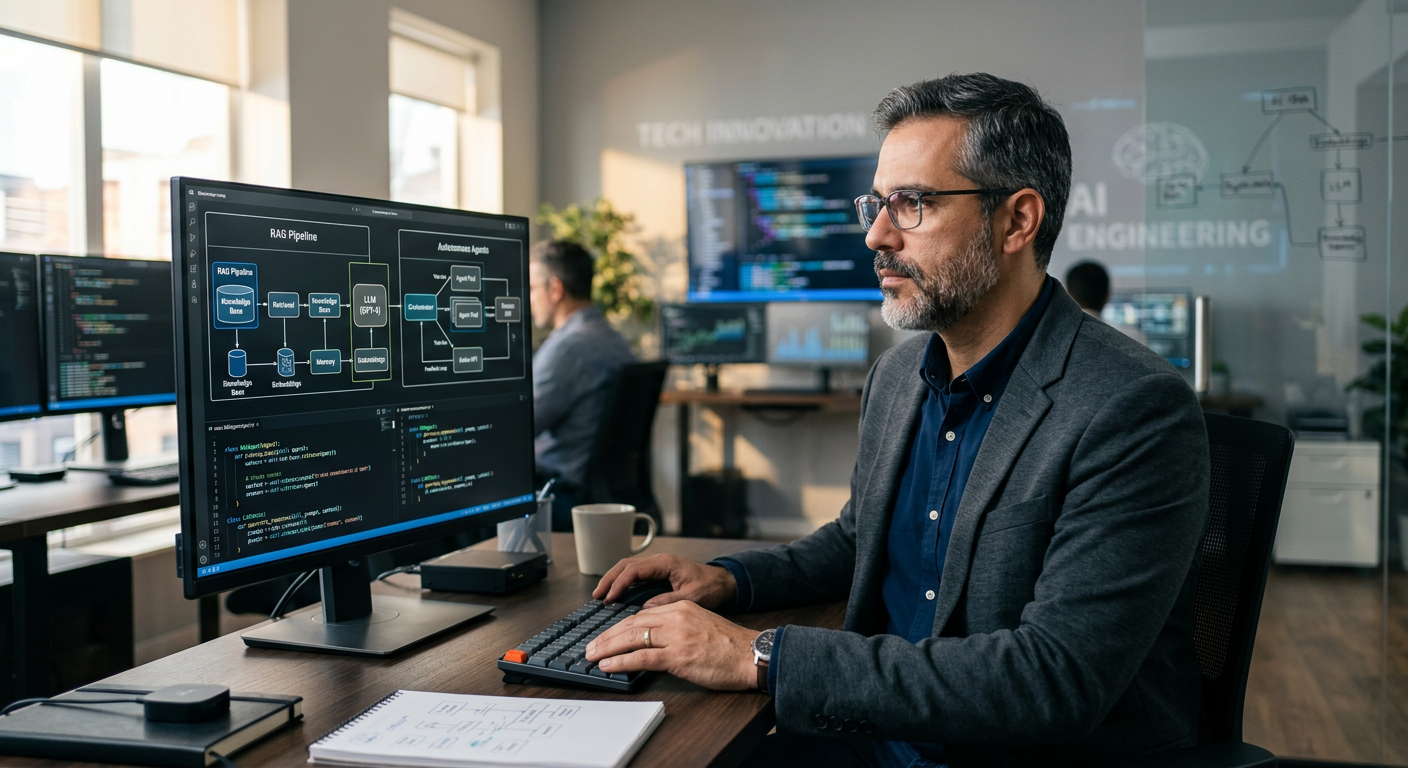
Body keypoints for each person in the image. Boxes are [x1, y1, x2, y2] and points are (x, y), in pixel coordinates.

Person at [583, 73, 1209, 767]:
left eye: (911, 204)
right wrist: (732, 580)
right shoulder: (897, 377)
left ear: (1017, 221)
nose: (877, 235)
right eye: (876, 204)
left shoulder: (1130, 406)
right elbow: (861, 540)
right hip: (871, 731)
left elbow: (1053, 679)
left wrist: (759, 654)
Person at [528, 240, 634, 530]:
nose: (528, 298)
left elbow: (520, 427)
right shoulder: (611, 337)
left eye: (532, 288)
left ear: (555, 289)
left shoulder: (568, 348)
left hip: (561, 496)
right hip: (601, 492)